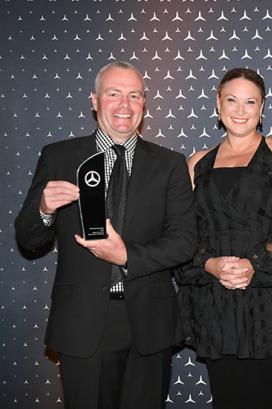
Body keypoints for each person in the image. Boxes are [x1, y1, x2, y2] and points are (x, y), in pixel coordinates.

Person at [15, 61, 198, 409]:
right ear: (95, 101)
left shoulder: (170, 163)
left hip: (149, 323)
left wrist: (126, 256)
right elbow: (27, 238)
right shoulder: (59, 157)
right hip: (82, 322)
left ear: (144, 104)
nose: (125, 105)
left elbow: (185, 241)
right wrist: (44, 209)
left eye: (134, 96)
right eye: (114, 94)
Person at [175, 68, 272, 409]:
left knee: (266, 400)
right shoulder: (196, 163)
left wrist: (252, 266)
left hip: (268, 302)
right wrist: (209, 264)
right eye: (231, 100)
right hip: (212, 302)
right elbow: (181, 235)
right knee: (226, 400)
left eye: (250, 102)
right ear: (217, 103)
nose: (240, 110)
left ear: (261, 109)